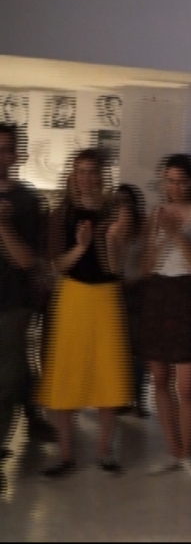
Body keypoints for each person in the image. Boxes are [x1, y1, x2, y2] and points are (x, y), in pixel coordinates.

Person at [38, 148, 133, 477]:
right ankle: (66, 454)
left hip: (106, 296)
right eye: (81, 171)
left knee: (108, 371)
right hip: (73, 297)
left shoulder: (115, 210)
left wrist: (112, 238)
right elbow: (58, 265)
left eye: (93, 171)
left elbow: (117, 268)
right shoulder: (61, 213)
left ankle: (105, 451)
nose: (86, 178)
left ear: (102, 175)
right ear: (73, 176)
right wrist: (81, 245)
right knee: (67, 373)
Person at [139, 154, 191, 479]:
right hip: (158, 292)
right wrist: (160, 233)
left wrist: (177, 233)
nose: (175, 187)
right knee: (159, 378)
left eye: (181, 181)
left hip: (187, 294)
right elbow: (145, 267)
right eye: (170, 181)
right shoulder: (155, 213)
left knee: (189, 385)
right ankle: (172, 449)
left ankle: (187, 452)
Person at [0, 123, 44, 492]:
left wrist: (2, 225)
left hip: (11, 304)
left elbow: (26, 260)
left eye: (5, 149)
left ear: (15, 155)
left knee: (7, 382)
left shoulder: (27, 202)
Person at [113, 183, 149, 420]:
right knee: (117, 347)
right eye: (118, 202)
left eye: (127, 201)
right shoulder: (110, 228)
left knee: (137, 348)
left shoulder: (144, 227)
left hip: (138, 290)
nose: (123, 206)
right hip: (113, 290)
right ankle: (118, 397)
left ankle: (138, 398)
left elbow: (148, 260)